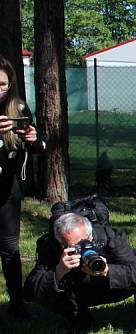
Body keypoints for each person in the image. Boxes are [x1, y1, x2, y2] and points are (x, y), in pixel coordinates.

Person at [24, 213, 136, 333]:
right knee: (50, 288)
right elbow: (31, 291)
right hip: (78, 292)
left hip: (111, 286)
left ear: (91, 235)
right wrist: (59, 271)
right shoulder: (51, 247)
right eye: (74, 246)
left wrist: (108, 271)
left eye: (84, 242)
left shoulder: (109, 238)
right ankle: (79, 318)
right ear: (61, 244)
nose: (82, 247)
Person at [0, 55, 45, 320]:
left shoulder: (18, 108)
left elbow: (41, 147)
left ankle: (17, 302)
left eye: (4, 84)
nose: (0, 89)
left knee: (9, 248)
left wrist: (33, 137)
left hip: (7, 191)